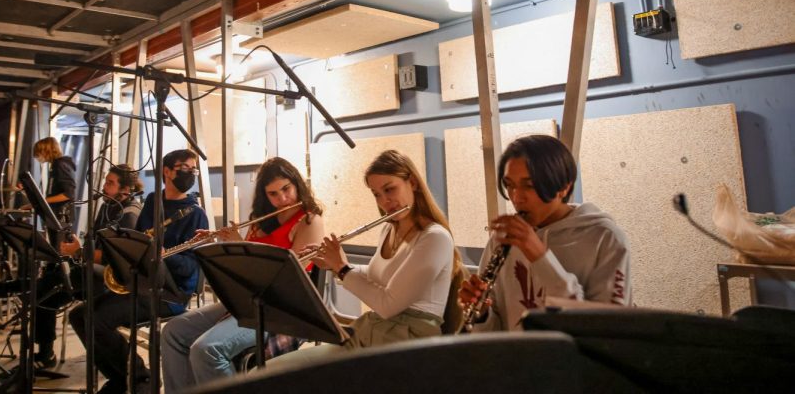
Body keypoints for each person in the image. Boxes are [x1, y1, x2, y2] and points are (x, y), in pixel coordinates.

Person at [267, 149, 461, 371]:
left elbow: (388, 305)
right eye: (376, 194)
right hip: (377, 333)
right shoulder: (389, 229)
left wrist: (342, 269)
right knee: (270, 372)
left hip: (408, 343)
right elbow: (376, 275)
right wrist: (335, 264)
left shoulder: (434, 238)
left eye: (389, 189)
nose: (385, 202)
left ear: (413, 183)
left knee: (288, 378)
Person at [160, 157, 324, 392]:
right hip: (248, 300)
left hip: (281, 308)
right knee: (173, 332)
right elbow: (245, 266)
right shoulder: (260, 222)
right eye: (273, 194)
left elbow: (289, 277)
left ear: (297, 183)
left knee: (207, 349)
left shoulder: (310, 220)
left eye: (286, 189)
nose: (282, 199)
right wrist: (228, 242)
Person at [459, 135, 632, 332]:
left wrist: (540, 256)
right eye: (510, 185)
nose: (516, 197)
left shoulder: (605, 238)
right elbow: (499, 332)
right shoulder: (502, 239)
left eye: (529, 185)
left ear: (564, 186)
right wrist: (481, 315)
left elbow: (609, 330)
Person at [69, 149, 208, 394]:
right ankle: (122, 376)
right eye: (184, 168)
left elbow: (190, 270)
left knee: (96, 318)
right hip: (142, 283)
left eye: (193, 169)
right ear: (167, 171)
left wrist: (163, 253)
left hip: (170, 293)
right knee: (80, 315)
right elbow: (138, 241)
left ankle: (138, 377)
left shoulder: (196, 215)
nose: (190, 173)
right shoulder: (153, 201)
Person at [33, 164, 144, 369]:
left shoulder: (130, 214)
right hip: (93, 270)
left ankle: (45, 352)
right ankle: (45, 351)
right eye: (105, 181)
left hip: (112, 278)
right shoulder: (107, 206)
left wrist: (78, 252)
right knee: (46, 289)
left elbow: (116, 259)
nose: (103, 186)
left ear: (125, 190)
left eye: (110, 183)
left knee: (46, 289)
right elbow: (96, 247)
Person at [32, 136, 77, 237]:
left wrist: (44, 201)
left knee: (60, 249)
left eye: (39, 152)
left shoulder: (60, 165)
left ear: (46, 150)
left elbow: (69, 194)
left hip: (62, 217)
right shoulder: (56, 165)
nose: (37, 156)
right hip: (57, 216)